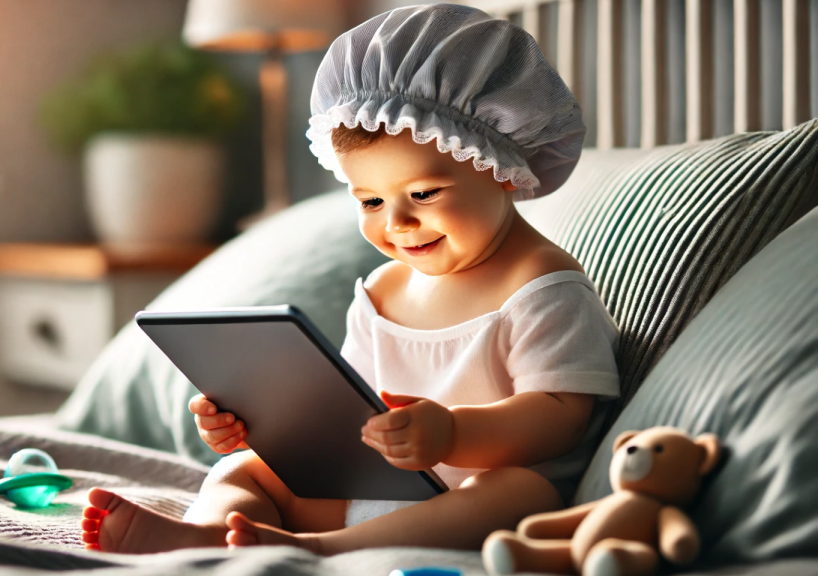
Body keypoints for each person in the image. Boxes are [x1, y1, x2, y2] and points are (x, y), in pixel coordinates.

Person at [80, 3, 620, 555]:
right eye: (370, 200)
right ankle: (208, 533)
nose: (398, 223)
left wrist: (453, 434)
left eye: (425, 194)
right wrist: (258, 424)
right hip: (377, 488)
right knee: (250, 468)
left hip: (479, 498)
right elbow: (346, 411)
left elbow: (561, 416)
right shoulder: (384, 292)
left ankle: (323, 550)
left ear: (501, 165)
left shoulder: (543, 284)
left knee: (517, 492)